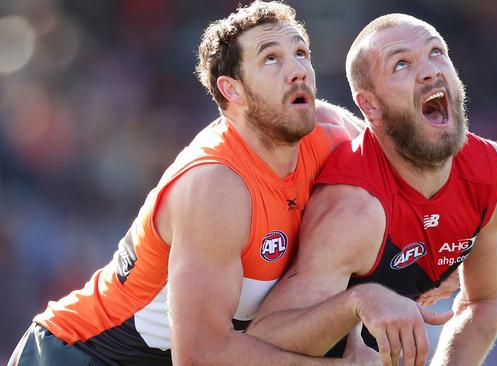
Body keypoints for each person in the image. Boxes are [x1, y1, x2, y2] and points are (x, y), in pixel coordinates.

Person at [8, 2, 428, 365]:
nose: (298, 69)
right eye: (271, 58)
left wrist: (445, 263)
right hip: (80, 354)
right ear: (233, 91)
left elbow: (410, 183)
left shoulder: (333, 132)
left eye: (301, 52)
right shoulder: (217, 185)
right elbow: (201, 356)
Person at [246, 13, 497, 366]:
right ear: (370, 105)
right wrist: (359, 301)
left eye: (437, 52)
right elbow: (261, 341)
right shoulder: (354, 210)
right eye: (401, 64)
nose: (431, 71)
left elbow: (484, 301)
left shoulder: (489, 170)